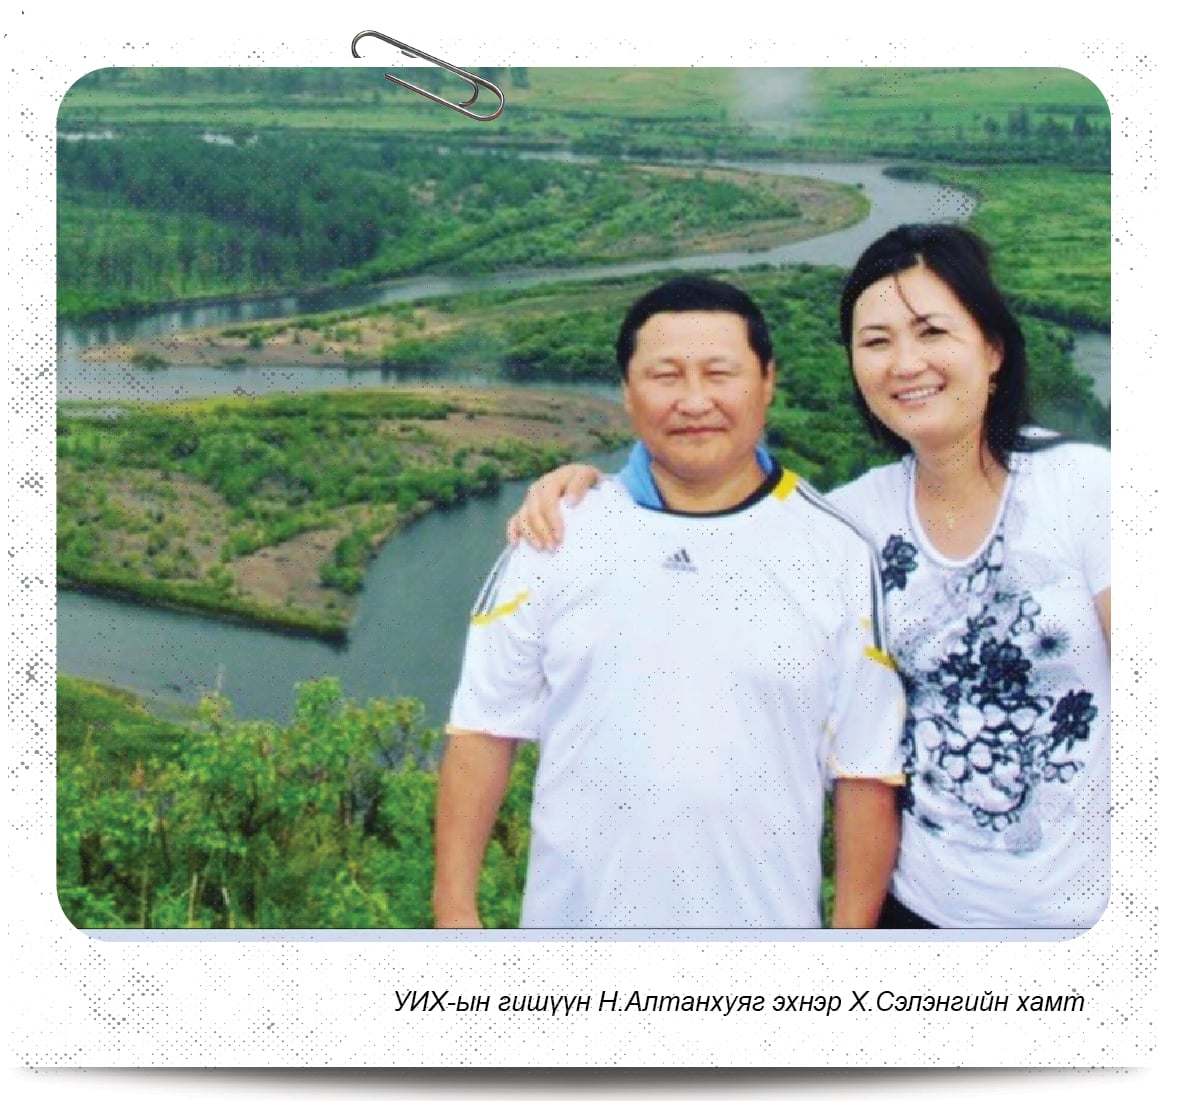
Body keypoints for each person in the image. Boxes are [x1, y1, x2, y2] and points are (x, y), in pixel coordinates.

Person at [508, 224, 1111, 929]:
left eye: (931, 332)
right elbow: (709, 549)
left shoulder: (1085, 487)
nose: (905, 363)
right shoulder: (851, 523)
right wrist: (594, 494)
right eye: (875, 341)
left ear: (993, 348)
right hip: (917, 913)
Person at [435, 276, 906, 929]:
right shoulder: (555, 535)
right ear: (627, 391)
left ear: (767, 380)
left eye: (719, 373)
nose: (693, 400)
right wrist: (454, 912)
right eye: (664, 375)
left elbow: (866, 771)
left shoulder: (835, 551)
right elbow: (483, 729)